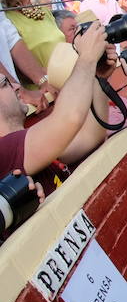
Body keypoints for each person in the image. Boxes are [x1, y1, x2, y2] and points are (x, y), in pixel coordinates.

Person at [0, 22, 105, 205]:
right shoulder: (3, 152)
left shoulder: (31, 145)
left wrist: (98, 74)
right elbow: (69, 118)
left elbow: (92, 134)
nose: (17, 86)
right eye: (5, 83)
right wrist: (87, 57)